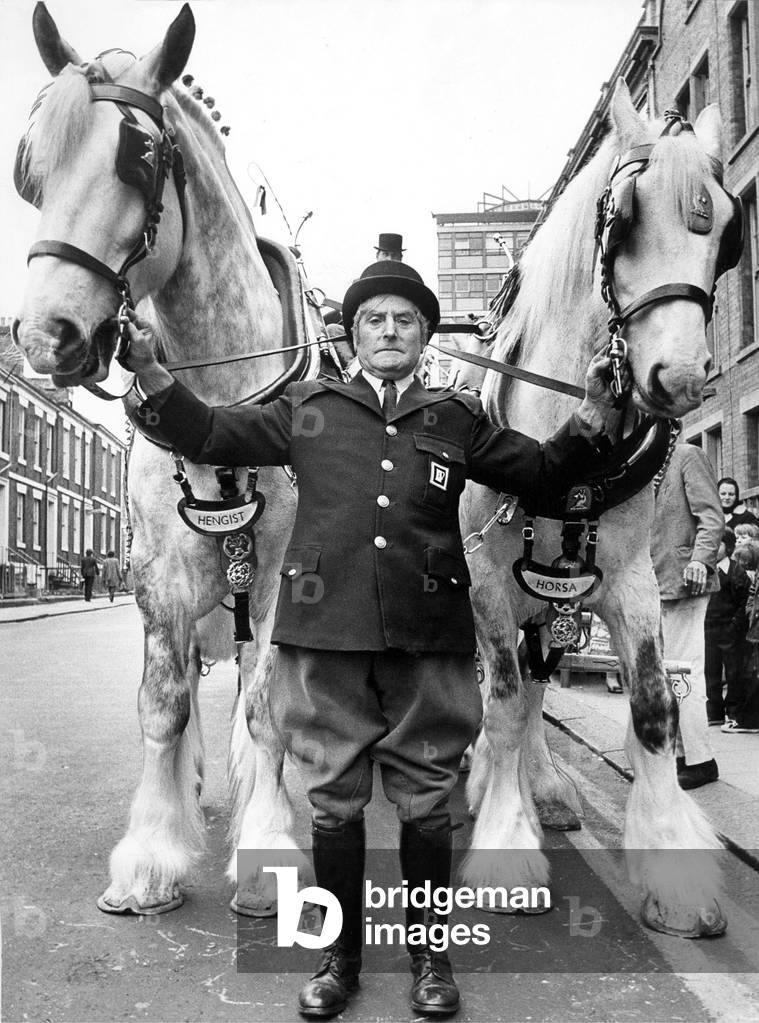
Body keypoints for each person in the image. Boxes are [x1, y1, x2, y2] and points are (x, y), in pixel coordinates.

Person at [123, 259, 623, 1019]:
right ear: (353, 336)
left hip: (429, 640)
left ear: (424, 334)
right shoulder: (308, 406)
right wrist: (153, 375)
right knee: (334, 806)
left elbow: (545, 472)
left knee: (426, 806)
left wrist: (590, 416)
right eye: (373, 321)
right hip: (327, 640)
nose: (388, 332)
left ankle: (430, 958)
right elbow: (212, 432)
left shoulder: (455, 416)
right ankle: (339, 958)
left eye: (403, 320)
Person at [651, 442, 723, 790]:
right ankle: (683, 755)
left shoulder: (687, 455)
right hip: (655, 584)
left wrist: (700, 559)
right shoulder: (646, 462)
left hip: (685, 579)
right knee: (669, 675)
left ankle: (701, 760)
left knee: (684, 672)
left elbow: (712, 517)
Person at [705, 528, 750, 728]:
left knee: (733, 673)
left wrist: (735, 625)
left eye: (719, 544)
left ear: (730, 547)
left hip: (730, 631)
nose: (714, 548)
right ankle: (714, 712)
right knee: (710, 672)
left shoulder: (735, 571)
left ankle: (734, 712)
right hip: (708, 628)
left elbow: (744, 601)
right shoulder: (705, 569)